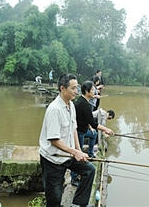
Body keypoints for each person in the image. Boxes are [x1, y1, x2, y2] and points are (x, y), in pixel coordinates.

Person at [39, 73, 95, 207]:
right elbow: (54, 140)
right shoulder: (54, 109)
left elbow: (74, 129)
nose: (76, 91)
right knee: (54, 199)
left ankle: (78, 204)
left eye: (77, 87)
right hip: (53, 160)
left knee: (89, 170)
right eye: (73, 88)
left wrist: (79, 151)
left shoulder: (71, 105)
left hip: (68, 155)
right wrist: (74, 152)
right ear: (63, 89)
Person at [70, 80, 114, 187]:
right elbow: (94, 123)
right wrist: (106, 129)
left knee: (93, 135)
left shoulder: (84, 102)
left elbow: (88, 120)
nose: (95, 91)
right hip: (79, 132)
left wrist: (91, 127)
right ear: (87, 91)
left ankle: (90, 154)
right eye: (93, 89)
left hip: (84, 130)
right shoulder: (84, 105)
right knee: (78, 155)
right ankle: (74, 177)